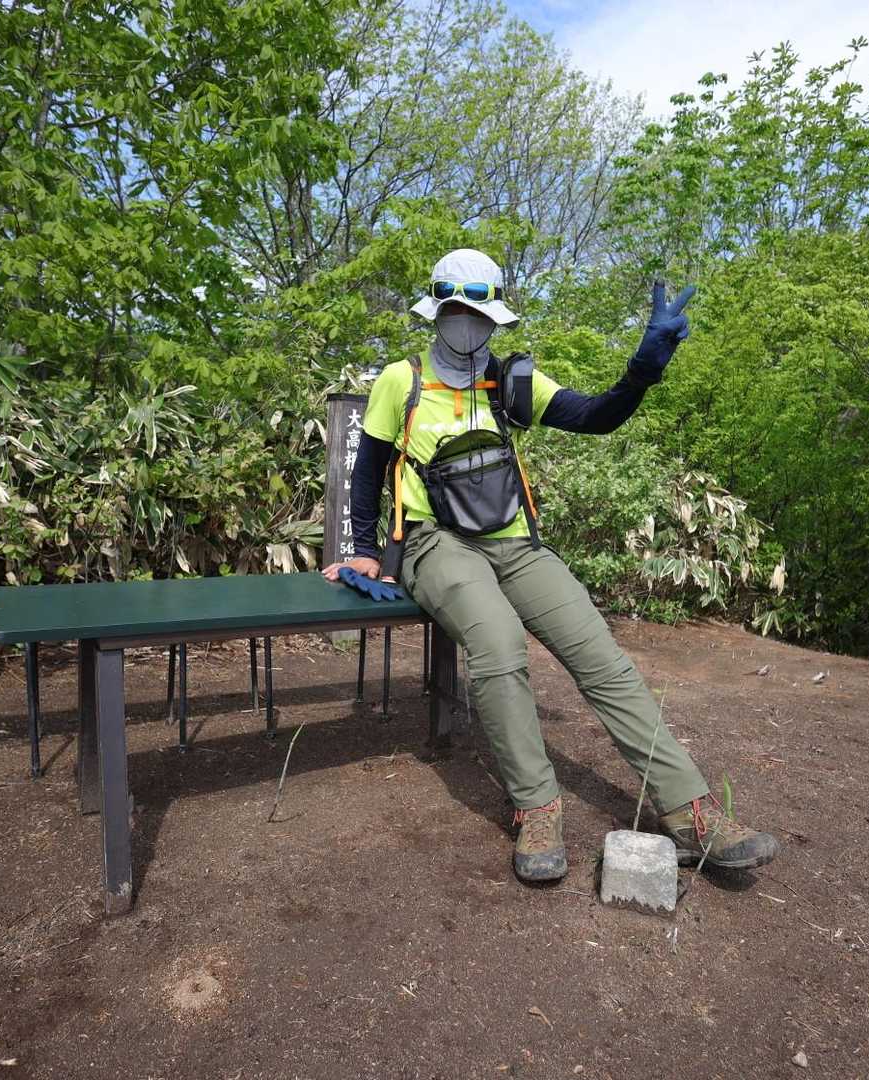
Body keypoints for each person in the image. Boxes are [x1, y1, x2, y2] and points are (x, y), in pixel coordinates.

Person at [323, 248, 779, 884]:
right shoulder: (401, 380)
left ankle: (691, 811)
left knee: (600, 655)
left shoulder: (512, 380)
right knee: (499, 647)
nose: (465, 323)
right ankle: (537, 806)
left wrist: (641, 373)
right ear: (436, 313)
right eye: (454, 311)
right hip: (434, 542)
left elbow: (595, 417)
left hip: (514, 541)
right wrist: (365, 552)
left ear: (494, 318)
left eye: (477, 313)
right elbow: (368, 470)